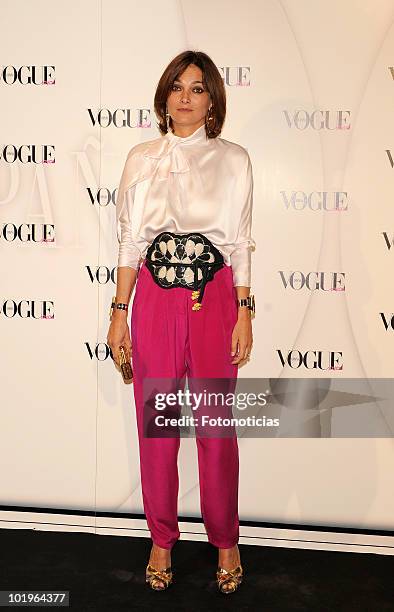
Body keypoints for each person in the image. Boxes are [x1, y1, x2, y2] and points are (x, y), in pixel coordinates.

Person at [107, 50, 255, 595]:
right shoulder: (140, 157)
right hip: (154, 302)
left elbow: (240, 241)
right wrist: (119, 312)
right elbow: (129, 241)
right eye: (176, 87)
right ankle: (161, 541)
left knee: (217, 431)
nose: (185, 97)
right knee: (158, 431)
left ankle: (226, 540)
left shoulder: (234, 159)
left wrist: (244, 310)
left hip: (215, 301)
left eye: (197, 88)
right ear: (164, 95)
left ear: (213, 98)